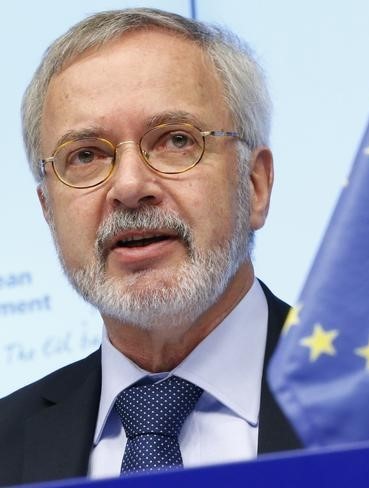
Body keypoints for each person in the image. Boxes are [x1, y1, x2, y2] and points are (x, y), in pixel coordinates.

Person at [0, 8, 301, 485]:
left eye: (175, 140)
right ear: (48, 210)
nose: (130, 186)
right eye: (85, 155)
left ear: (255, 184)